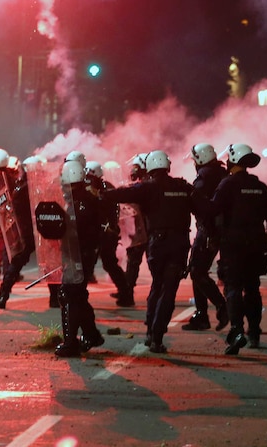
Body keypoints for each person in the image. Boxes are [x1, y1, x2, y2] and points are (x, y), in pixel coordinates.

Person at [104, 150, 198, 354]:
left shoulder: (147, 188)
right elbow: (204, 208)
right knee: (169, 290)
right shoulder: (182, 187)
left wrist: (99, 192)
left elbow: (120, 194)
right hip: (179, 244)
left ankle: (150, 331)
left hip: (158, 244)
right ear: (168, 167)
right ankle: (157, 336)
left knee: (158, 285)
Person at [211, 144, 267, 355]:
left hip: (232, 245)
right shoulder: (260, 187)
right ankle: (254, 332)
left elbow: (213, 211)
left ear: (233, 160)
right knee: (252, 288)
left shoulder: (227, 184)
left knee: (233, 288)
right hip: (255, 245)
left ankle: (236, 332)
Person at [54, 160, 106, 357]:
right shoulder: (86, 199)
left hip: (78, 257)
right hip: (84, 256)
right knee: (78, 296)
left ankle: (70, 343)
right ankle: (92, 335)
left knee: (70, 295)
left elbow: (75, 233)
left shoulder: (77, 205)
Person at [182, 143, 229, 332]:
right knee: (198, 271)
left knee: (197, 271)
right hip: (221, 230)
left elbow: (198, 202)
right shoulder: (222, 174)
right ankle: (201, 316)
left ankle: (220, 306)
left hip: (208, 230)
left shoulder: (205, 177)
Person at [0, 149, 35, 309]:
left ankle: (3, 294)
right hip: (35, 232)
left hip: (24, 232)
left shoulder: (20, 188)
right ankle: (54, 298)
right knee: (51, 263)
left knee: (15, 264)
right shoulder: (34, 188)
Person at [85, 160, 134, 307]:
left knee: (103, 263)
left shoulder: (99, 190)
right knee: (107, 263)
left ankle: (126, 293)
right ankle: (125, 292)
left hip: (103, 232)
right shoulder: (106, 187)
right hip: (106, 231)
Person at [122, 153, 149, 290]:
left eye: (135, 167)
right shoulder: (148, 184)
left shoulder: (143, 186)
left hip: (143, 229)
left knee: (133, 261)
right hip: (148, 229)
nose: (133, 170)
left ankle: (127, 293)